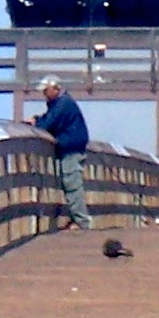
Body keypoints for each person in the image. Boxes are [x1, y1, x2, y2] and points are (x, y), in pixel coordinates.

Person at [33, 75, 92, 230]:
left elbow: (47, 124)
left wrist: (36, 123)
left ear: (56, 88)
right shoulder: (62, 103)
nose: (44, 94)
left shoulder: (63, 104)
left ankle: (82, 222)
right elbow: (50, 120)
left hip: (71, 150)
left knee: (72, 185)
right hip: (70, 148)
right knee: (70, 184)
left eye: (46, 90)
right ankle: (77, 219)